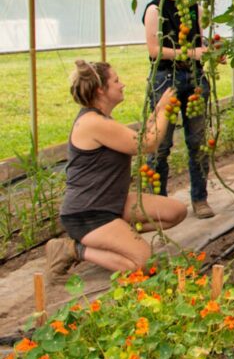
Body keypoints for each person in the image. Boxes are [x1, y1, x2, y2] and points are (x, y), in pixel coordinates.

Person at [45, 61, 188, 279]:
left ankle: (117, 239)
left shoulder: (102, 120)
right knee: (145, 264)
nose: (122, 85)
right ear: (101, 89)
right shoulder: (93, 123)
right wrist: (164, 113)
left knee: (175, 212)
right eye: (116, 81)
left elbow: (137, 139)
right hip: (87, 213)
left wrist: (158, 110)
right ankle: (73, 249)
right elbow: (148, 144)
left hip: (111, 201)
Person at [143, 0, 214, 219]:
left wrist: (209, 52)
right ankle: (156, 204)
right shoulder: (155, 9)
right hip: (166, 79)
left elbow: (199, 40)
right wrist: (191, 53)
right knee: (160, 143)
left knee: (197, 141)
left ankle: (200, 199)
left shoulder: (194, 8)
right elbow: (154, 49)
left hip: (194, 78)